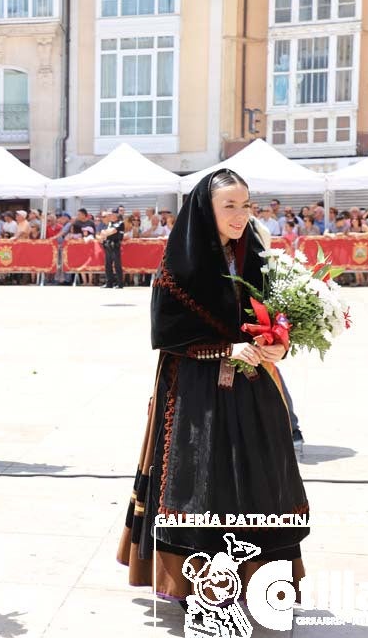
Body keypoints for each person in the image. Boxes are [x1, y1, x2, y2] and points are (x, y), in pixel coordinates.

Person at [117, 169, 309, 603]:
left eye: (246, 205)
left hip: (251, 391)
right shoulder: (180, 261)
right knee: (201, 480)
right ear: (207, 208)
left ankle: (255, 576)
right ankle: (197, 584)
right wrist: (223, 349)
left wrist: (280, 344)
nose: (241, 215)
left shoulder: (256, 254)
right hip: (195, 392)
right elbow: (167, 333)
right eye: (230, 206)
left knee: (255, 477)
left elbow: (276, 316)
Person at [98, 210, 124, 289]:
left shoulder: (120, 223)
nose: (110, 216)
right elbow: (101, 233)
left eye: (111, 215)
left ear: (116, 215)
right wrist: (104, 232)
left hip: (115, 246)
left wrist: (104, 232)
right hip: (108, 245)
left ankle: (119, 283)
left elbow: (112, 231)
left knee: (117, 265)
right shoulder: (110, 223)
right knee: (107, 265)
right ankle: (109, 283)